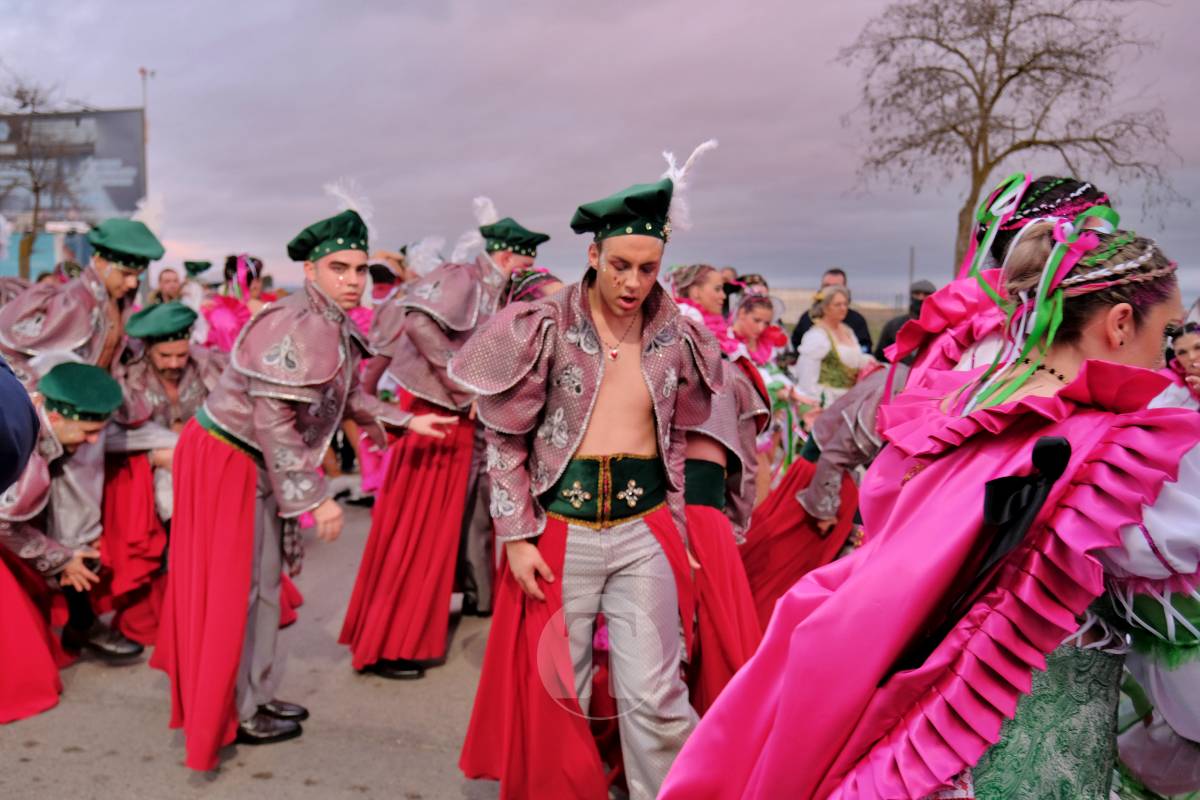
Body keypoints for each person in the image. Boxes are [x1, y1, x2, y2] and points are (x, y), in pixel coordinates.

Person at [661, 221, 1197, 799]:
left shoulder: (969, 409)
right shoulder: (1117, 458)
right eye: (1168, 337)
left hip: (913, 739)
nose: (1171, 361)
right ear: (1119, 324)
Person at [455, 141, 722, 800]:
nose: (634, 283)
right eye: (622, 265)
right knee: (559, 692)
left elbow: (678, 439)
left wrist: (682, 536)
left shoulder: (677, 335)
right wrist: (515, 535)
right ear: (594, 254)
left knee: (657, 697)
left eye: (649, 268)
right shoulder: (543, 324)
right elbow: (503, 438)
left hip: (643, 529)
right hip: (558, 533)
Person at [150, 209, 455, 770]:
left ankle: (256, 695)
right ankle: (235, 707)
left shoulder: (331, 319)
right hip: (229, 458)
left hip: (252, 458)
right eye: (339, 267)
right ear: (312, 269)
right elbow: (271, 418)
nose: (353, 279)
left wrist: (406, 421)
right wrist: (316, 496)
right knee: (237, 591)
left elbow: (341, 395)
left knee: (263, 586)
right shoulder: (297, 321)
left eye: (360, 269)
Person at [339, 212, 548, 676]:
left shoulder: (497, 289)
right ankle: (392, 642)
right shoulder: (464, 276)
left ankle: (442, 610)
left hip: (460, 421)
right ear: (508, 254)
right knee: (418, 534)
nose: (529, 270)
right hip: (437, 421)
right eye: (527, 259)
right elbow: (418, 322)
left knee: (451, 526)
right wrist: (465, 382)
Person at [0, 217, 164, 658]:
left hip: (92, 421)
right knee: (74, 524)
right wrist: (39, 400)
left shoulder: (112, 301)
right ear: (102, 261)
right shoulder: (74, 302)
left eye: (137, 273)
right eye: (127, 271)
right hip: (64, 427)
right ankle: (81, 622)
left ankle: (86, 615)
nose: (132, 282)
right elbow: (7, 341)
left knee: (165, 448)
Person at [97, 302, 229, 645]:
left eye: (180, 355)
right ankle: (167, 617)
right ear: (148, 350)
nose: (174, 364)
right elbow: (107, 435)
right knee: (164, 553)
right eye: (165, 356)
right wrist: (156, 455)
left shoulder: (210, 366)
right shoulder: (128, 376)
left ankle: (203, 616)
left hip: (204, 474)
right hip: (148, 478)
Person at [0, 362, 125, 721]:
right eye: (87, 431)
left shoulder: (34, 403)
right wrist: (61, 559)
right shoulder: (29, 462)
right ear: (56, 417)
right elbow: (4, 522)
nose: (91, 441)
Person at [793, 285, 877, 407]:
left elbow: (856, 358)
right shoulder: (817, 335)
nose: (843, 308)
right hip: (827, 401)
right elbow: (806, 373)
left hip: (850, 399)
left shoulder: (847, 330)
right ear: (825, 308)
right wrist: (811, 403)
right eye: (837, 305)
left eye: (845, 304)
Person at [791, 268, 872, 353]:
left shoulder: (857, 320)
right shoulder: (807, 318)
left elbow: (865, 348)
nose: (830, 290)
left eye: (835, 287)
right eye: (826, 286)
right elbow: (796, 345)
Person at [671, 263, 737, 352]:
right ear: (696, 292)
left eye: (723, 289)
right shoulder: (686, 315)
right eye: (717, 289)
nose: (724, 296)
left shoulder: (724, 328)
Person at [873, 279, 936, 362]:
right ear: (911, 296)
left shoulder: (940, 328)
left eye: (926, 294)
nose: (921, 298)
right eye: (917, 294)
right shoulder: (894, 326)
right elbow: (880, 356)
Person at [1151, 320, 1200, 410]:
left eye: (1198, 347)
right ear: (1176, 356)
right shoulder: (1166, 380)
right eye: (1182, 352)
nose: (1192, 357)